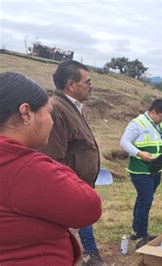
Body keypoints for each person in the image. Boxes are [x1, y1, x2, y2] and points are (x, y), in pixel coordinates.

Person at [0, 72, 102, 265]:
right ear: (26, 113)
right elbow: (89, 207)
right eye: (48, 113)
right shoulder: (25, 167)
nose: (51, 121)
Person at [40, 61, 104, 266]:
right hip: (69, 188)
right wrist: (72, 188)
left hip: (79, 186)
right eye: (87, 82)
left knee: (76, 227)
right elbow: (53, 158)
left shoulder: (72, 107)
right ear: (71, 85)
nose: (91, 86)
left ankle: (87, 253)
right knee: (62, 236)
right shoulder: (57, 109)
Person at [120, 98, 162, 249]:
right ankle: (141, 236)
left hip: (155, 169)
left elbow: (161, 144)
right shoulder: (137, 123)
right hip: (140, 170)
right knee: (146, 201)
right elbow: (124, 142)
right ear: (153, 112)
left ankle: (136, 230)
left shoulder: (161, 125)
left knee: (143, 200)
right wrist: (139, 153)